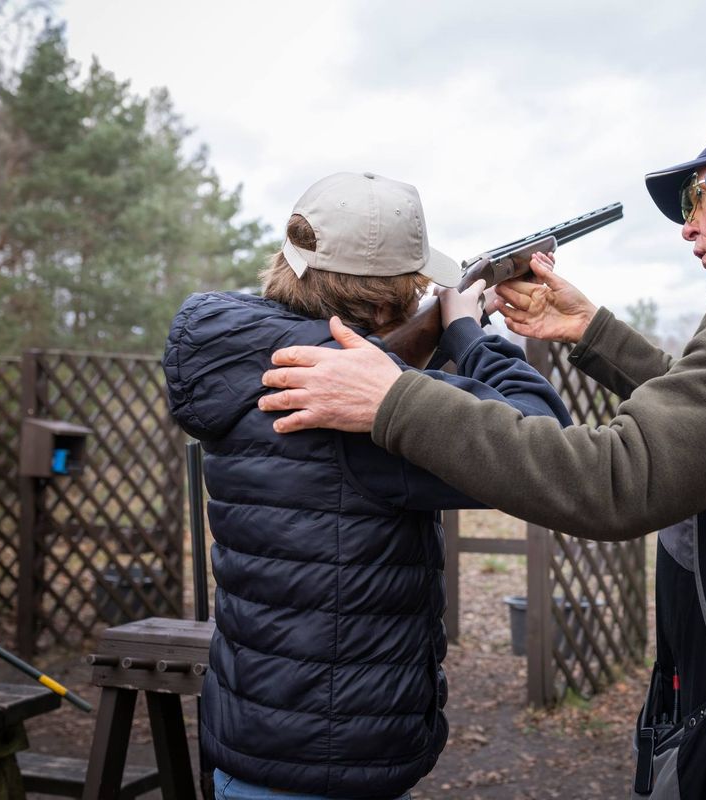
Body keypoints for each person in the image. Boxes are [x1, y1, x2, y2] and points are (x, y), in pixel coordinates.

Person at [258, 103, 706, 800]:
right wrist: (591, 330)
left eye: (697, 195)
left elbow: (616, 479)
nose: (687, 225)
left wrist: (395, 400)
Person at [162, 171, 571, 800]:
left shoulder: (244, 359)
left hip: (253, 736)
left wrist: (430, 339)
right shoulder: (352, 401)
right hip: (335, 760)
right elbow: (546, 441)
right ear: (383, 306)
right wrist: (467, 331)